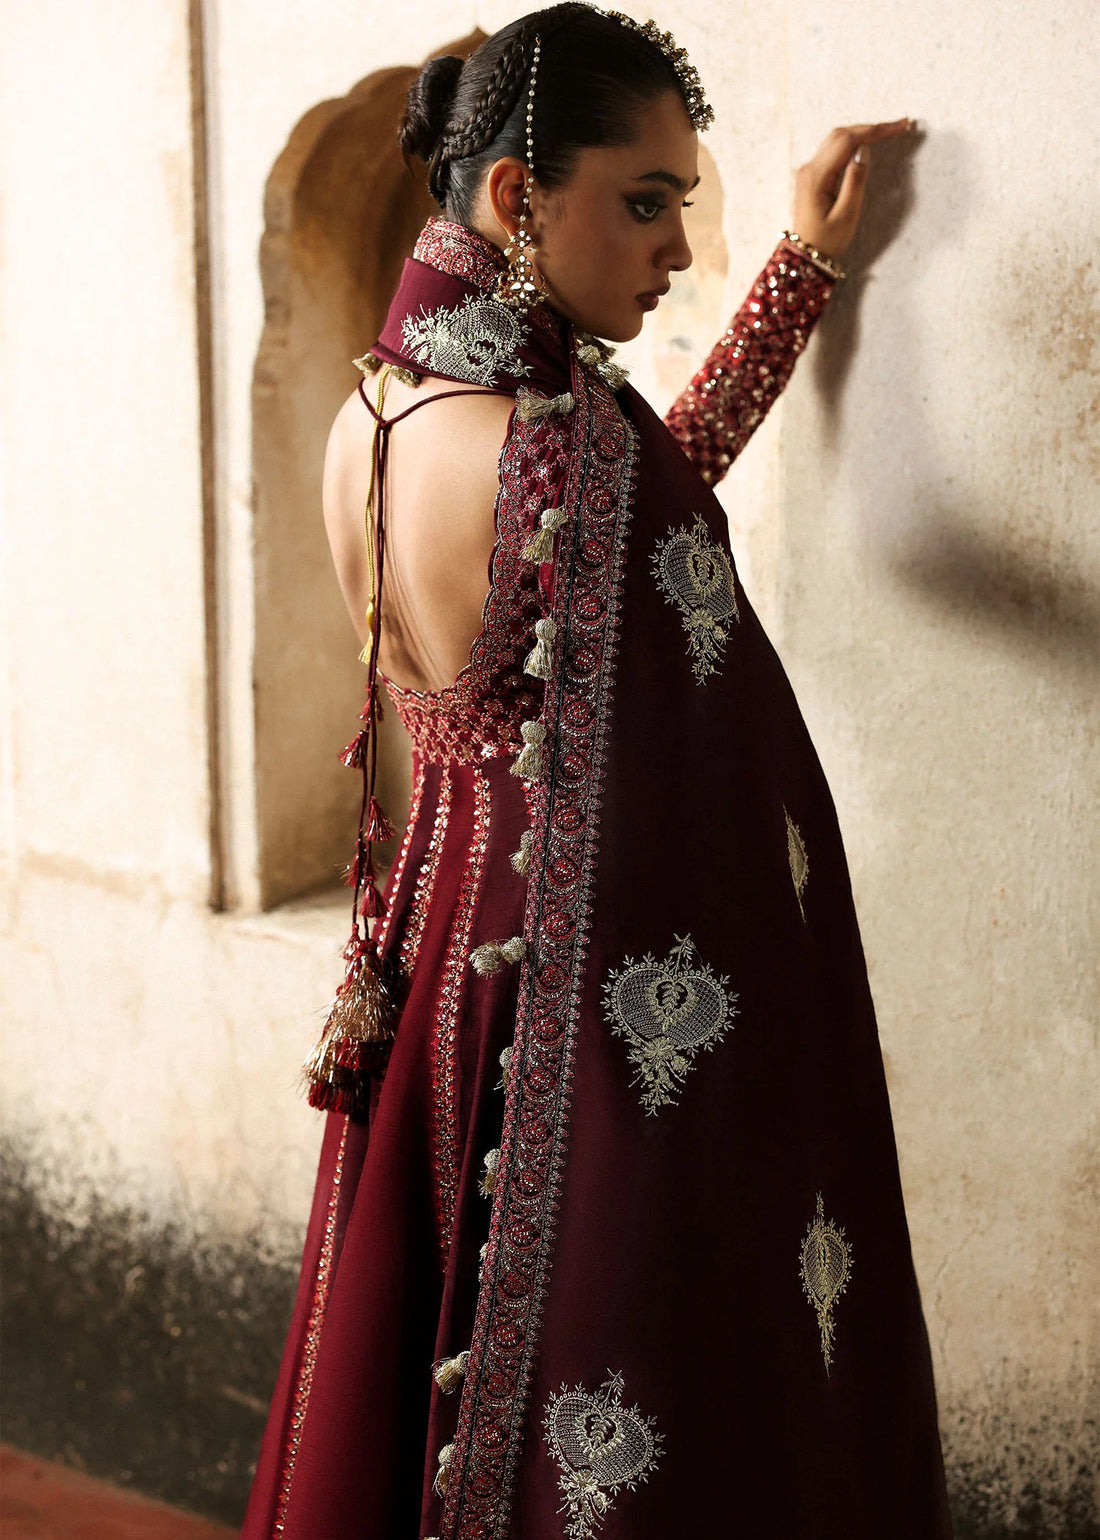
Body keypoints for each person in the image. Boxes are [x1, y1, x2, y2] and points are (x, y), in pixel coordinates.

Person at [242, 6, 953, 1537]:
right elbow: (632, 534)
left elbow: (623, 517)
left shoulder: (370, 415)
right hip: (578, 992)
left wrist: (796, 282)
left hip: (436, 960)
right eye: (647, 201)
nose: (677, 250)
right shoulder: (568, 452)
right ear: (516, 199)